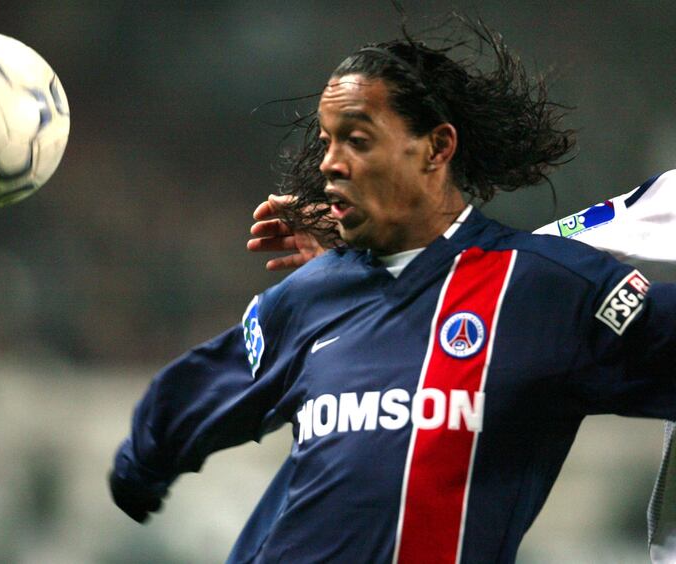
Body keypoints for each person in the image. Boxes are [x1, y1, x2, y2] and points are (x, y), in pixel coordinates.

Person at [110, 19, 676, 563]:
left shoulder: (543, 293)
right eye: (328, 141)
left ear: (437, 147)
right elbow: (194, 399)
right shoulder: (312, 297)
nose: (330, 162)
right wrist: (139, 470)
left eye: (356, 139)